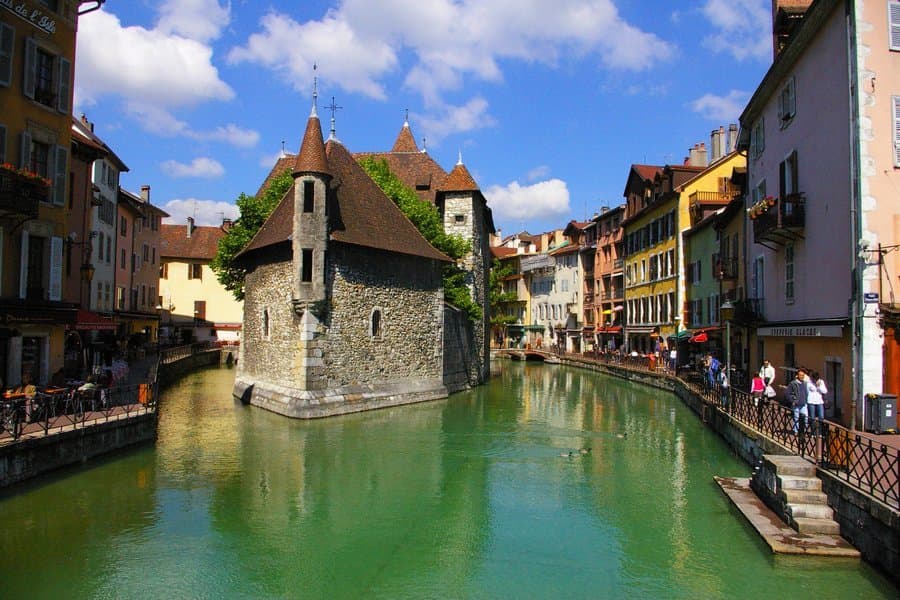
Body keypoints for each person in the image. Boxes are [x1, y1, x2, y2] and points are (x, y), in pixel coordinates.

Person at [786, 368, 809, 434]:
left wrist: (806, 400)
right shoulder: (793, 383)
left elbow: (806, 392)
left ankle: (803, 430)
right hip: (796, 404)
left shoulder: (805, 383)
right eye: (800, 375)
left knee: (805, 418)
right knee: (796, 418)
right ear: (797, 375)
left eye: (803, 375)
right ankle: (796, 430)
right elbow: (787, 393)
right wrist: (792, 400)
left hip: (804, 404)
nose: (802, 376)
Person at [806, 370, 827, 435]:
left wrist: (819, 386)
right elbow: (806, 392)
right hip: (811, 401)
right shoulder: (808, 383)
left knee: (821, 416)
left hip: (819, 402)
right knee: (812, 417)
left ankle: (820, 432)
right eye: (814, 378)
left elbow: (825, 391)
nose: (815, 380)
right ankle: (813, 432)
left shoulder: (821, 382)